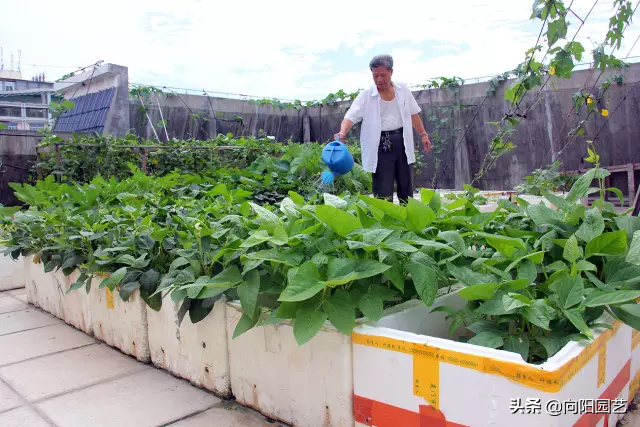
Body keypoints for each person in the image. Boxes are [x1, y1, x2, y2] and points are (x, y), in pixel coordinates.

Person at [334, 54, 431, 204]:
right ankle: (385, 220)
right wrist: (342, 132)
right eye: (375, 75)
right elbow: (350, 117)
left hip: (402, 139)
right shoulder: (366, 95)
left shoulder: (402, 89)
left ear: (391, 71)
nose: (379, 79)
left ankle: (409, 217)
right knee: (382, 185)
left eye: (383, 75)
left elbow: (413, 114)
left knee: (405, 182)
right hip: (380, 143)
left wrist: (423, 134)